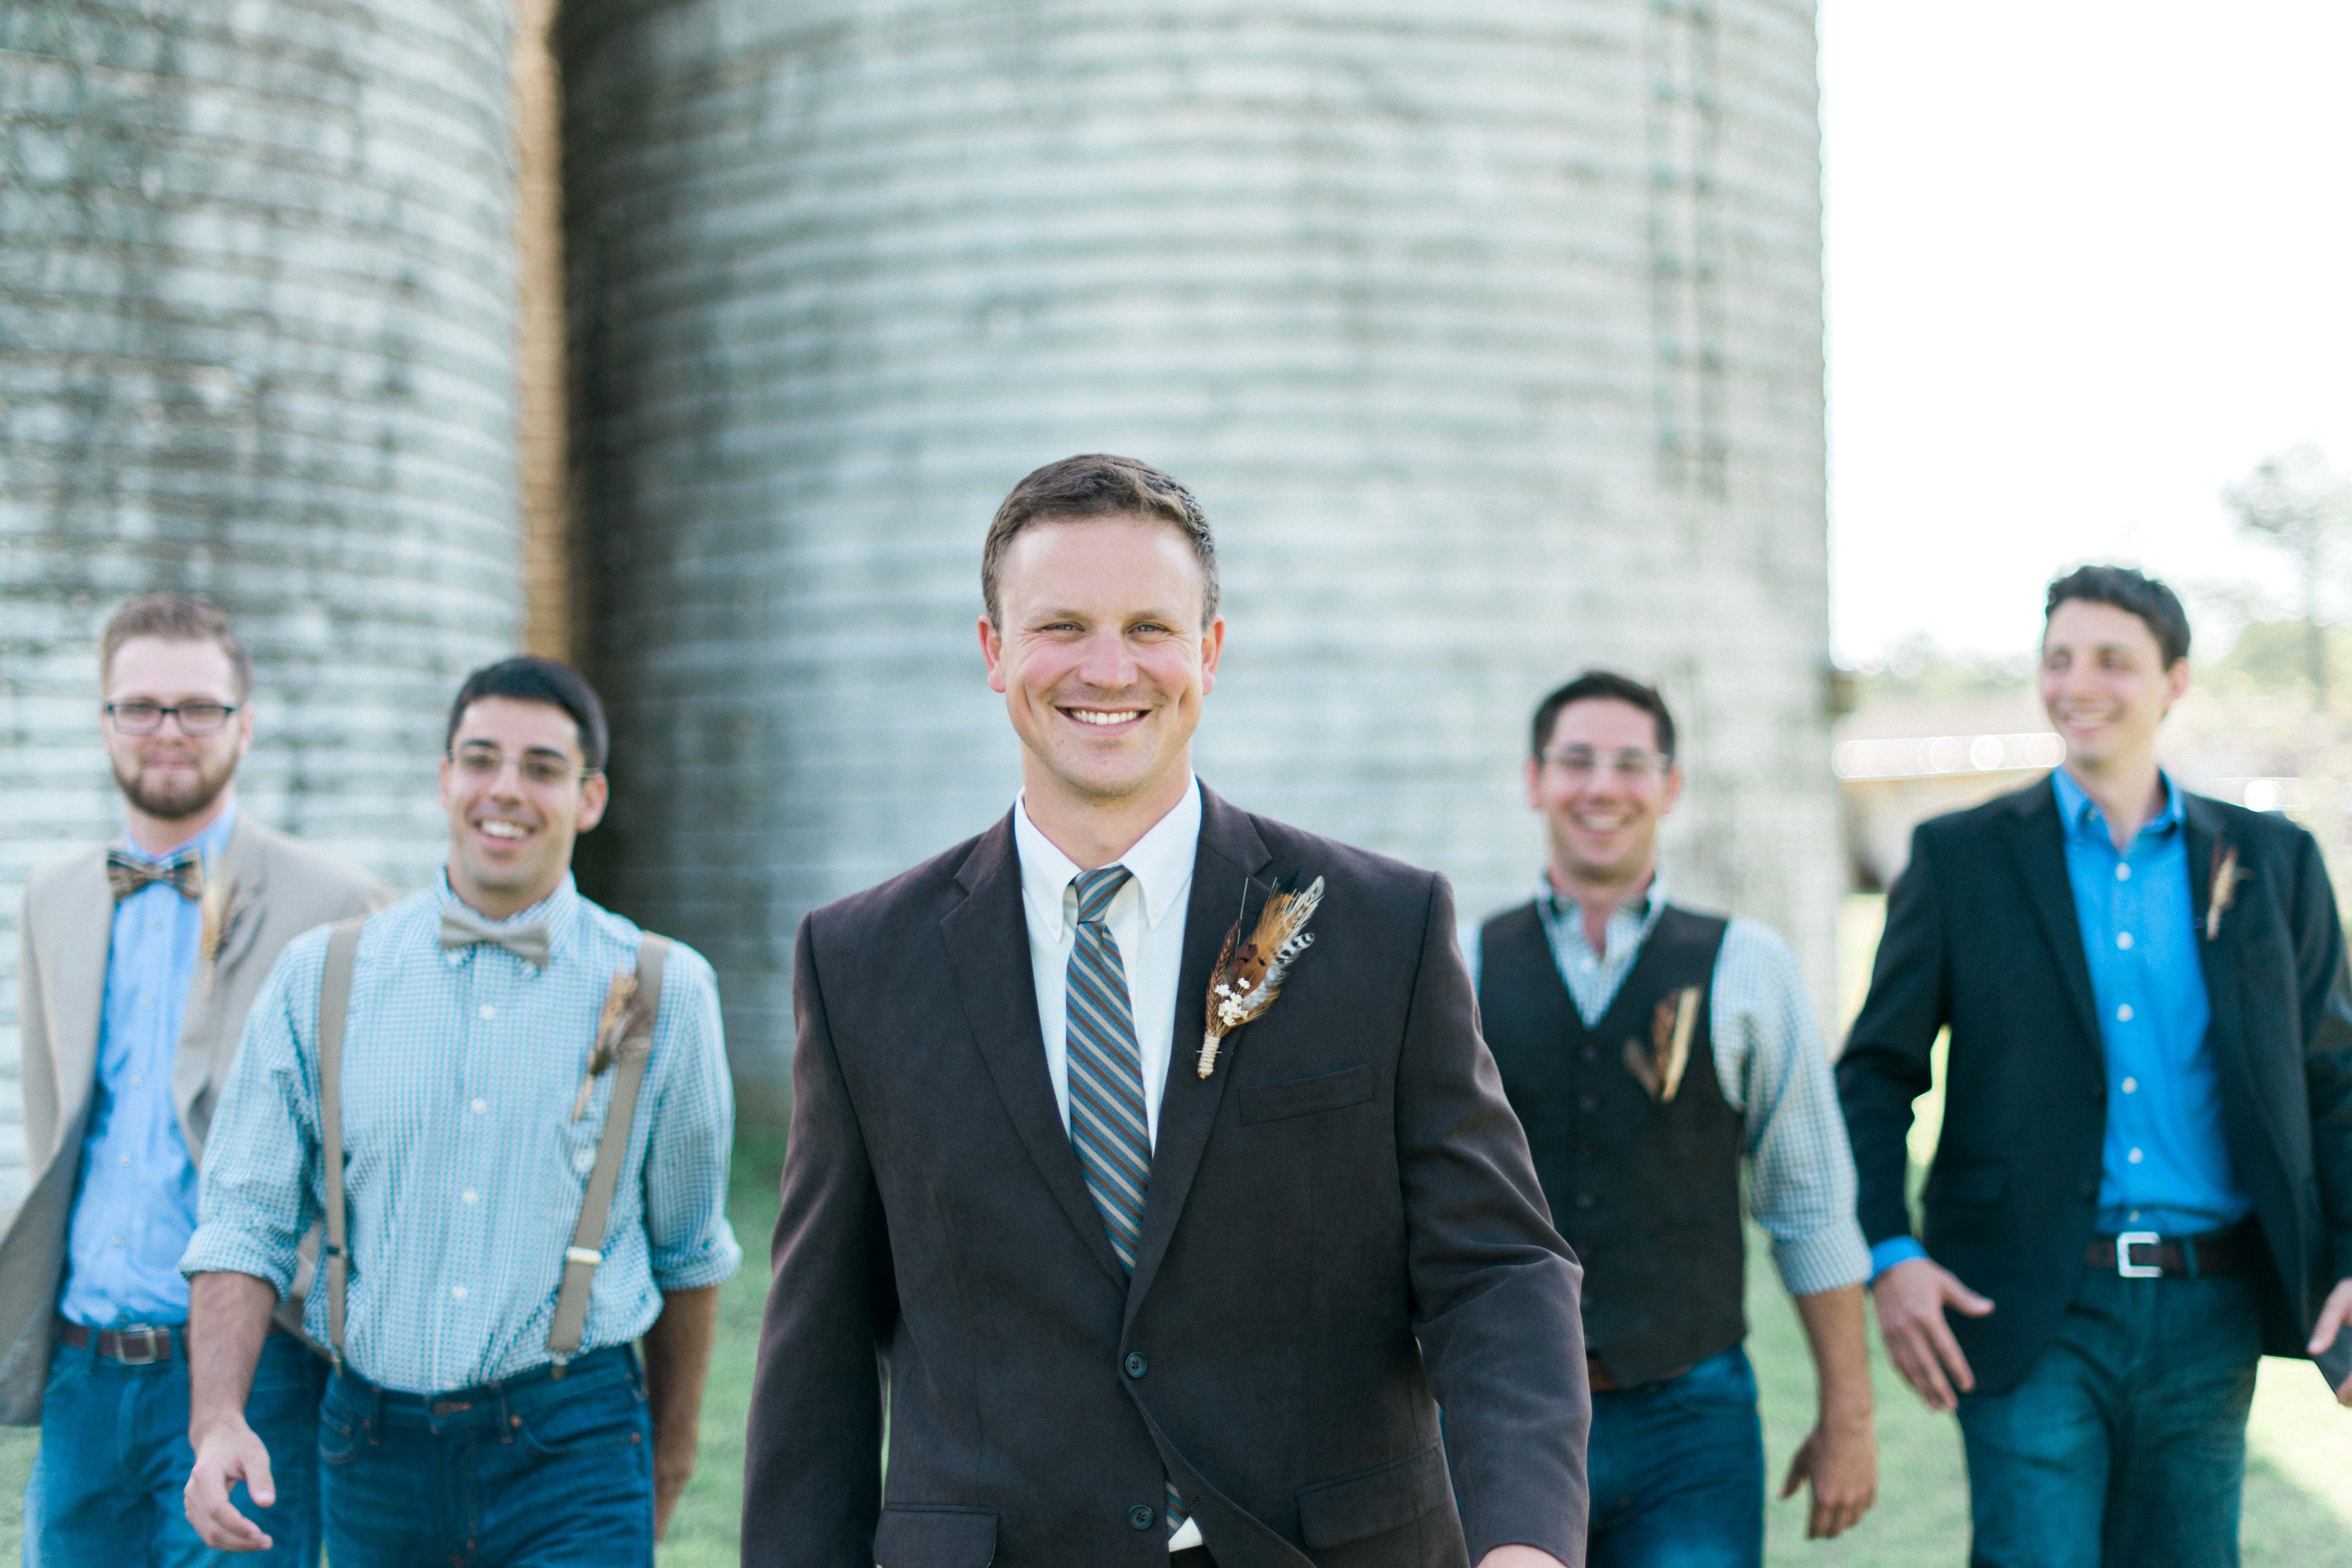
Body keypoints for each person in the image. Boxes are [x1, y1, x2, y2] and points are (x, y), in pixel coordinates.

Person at [741, 454, 1588, 1568]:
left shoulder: (1385, 930)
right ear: (994, 653)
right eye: (1062, 626)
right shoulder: (860, 963)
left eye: (1150, 625)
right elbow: (821, 1348)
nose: (1108, 668)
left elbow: (1498, 1270)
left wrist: (1527, 1543)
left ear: (1210, 653)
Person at [1838, 566, 2352, 1568]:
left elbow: (2337, 1076)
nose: (2079, 683)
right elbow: (1873, 1072)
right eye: (2058, 658)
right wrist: (1889, 1254)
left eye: (2113, 660)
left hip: (2214, 1305)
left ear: (2176, 681)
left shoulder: (2273, 859)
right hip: (2025, 1299)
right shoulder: (1959, 857)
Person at [177, 656, 741, 1566]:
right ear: (444, 780)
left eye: (543, 767)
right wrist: (218, 1420)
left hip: (577, 1444)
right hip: (371, 1446)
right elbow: (244, 1222)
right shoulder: (322, 976)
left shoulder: (661, 990)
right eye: (480, 759)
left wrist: (669, 1460)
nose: (505, 789)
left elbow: (690, 1253)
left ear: (589, 796)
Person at [0, 593, 388, 1566]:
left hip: (255, 1375)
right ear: (104, 723)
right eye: (139, 705)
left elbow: (371, 1146)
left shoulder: (336, 903)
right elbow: (57, 1125)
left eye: (197, 707)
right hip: (85, 1378)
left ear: (244, 725)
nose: (167, 730)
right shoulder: (53, 897)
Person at [1465, 671, 1876, 1566]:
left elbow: (1810, 1205)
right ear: (1535, 780)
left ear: (1670, 787)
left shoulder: (1750, 966)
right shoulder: (1464, 962)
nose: (1602, 785)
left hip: (1691, 1417)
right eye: (1576, 761)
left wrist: (1848, 1417)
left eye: (1631, 762)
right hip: (1502, 1418)